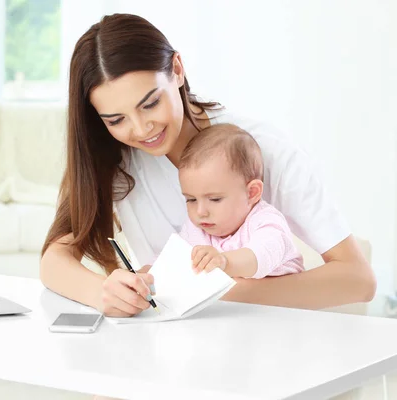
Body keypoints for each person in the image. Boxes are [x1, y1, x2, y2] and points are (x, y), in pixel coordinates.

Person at [40, 13, 376, 318]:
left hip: (263, 340)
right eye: (116, 120)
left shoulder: (262, 149)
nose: (141, 130)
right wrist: (104, 293)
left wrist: (224, 292)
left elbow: (357, 280)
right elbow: (54, 261)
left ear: (177, 70)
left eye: (151, 103)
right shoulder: (113, 157)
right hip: (171, 341)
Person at [176, 122, 304, 279]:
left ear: (251, 193)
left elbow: (258, 257)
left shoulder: (267, 222)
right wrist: (150, 275)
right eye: (191, 199)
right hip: (230, 303)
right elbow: (174, 262)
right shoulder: (195, 229)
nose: (200, 211)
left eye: (215, 199)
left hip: (279, 301)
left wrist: (224, 262)